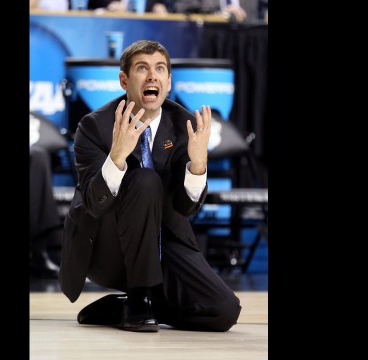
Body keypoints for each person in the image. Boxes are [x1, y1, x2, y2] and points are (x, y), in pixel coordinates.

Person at [59, 40, 241, 332]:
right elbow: (95, 204)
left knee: (223, 312)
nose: (152, 76)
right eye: (142, 69)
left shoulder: (184, 124)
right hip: (107, 247)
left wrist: (197, 166)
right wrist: (117, 157)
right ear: (124, 80)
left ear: (168, 82)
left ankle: (128, 305)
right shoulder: (94, 126)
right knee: (145, 180)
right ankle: (139, 296)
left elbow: (185, 207)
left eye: (159, 69)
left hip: (162, 243)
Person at [30, 112, 63, 278]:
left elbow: (58, 142)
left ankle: (38, 250)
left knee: (39, 155)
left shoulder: (34, 117)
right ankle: (38, 251)